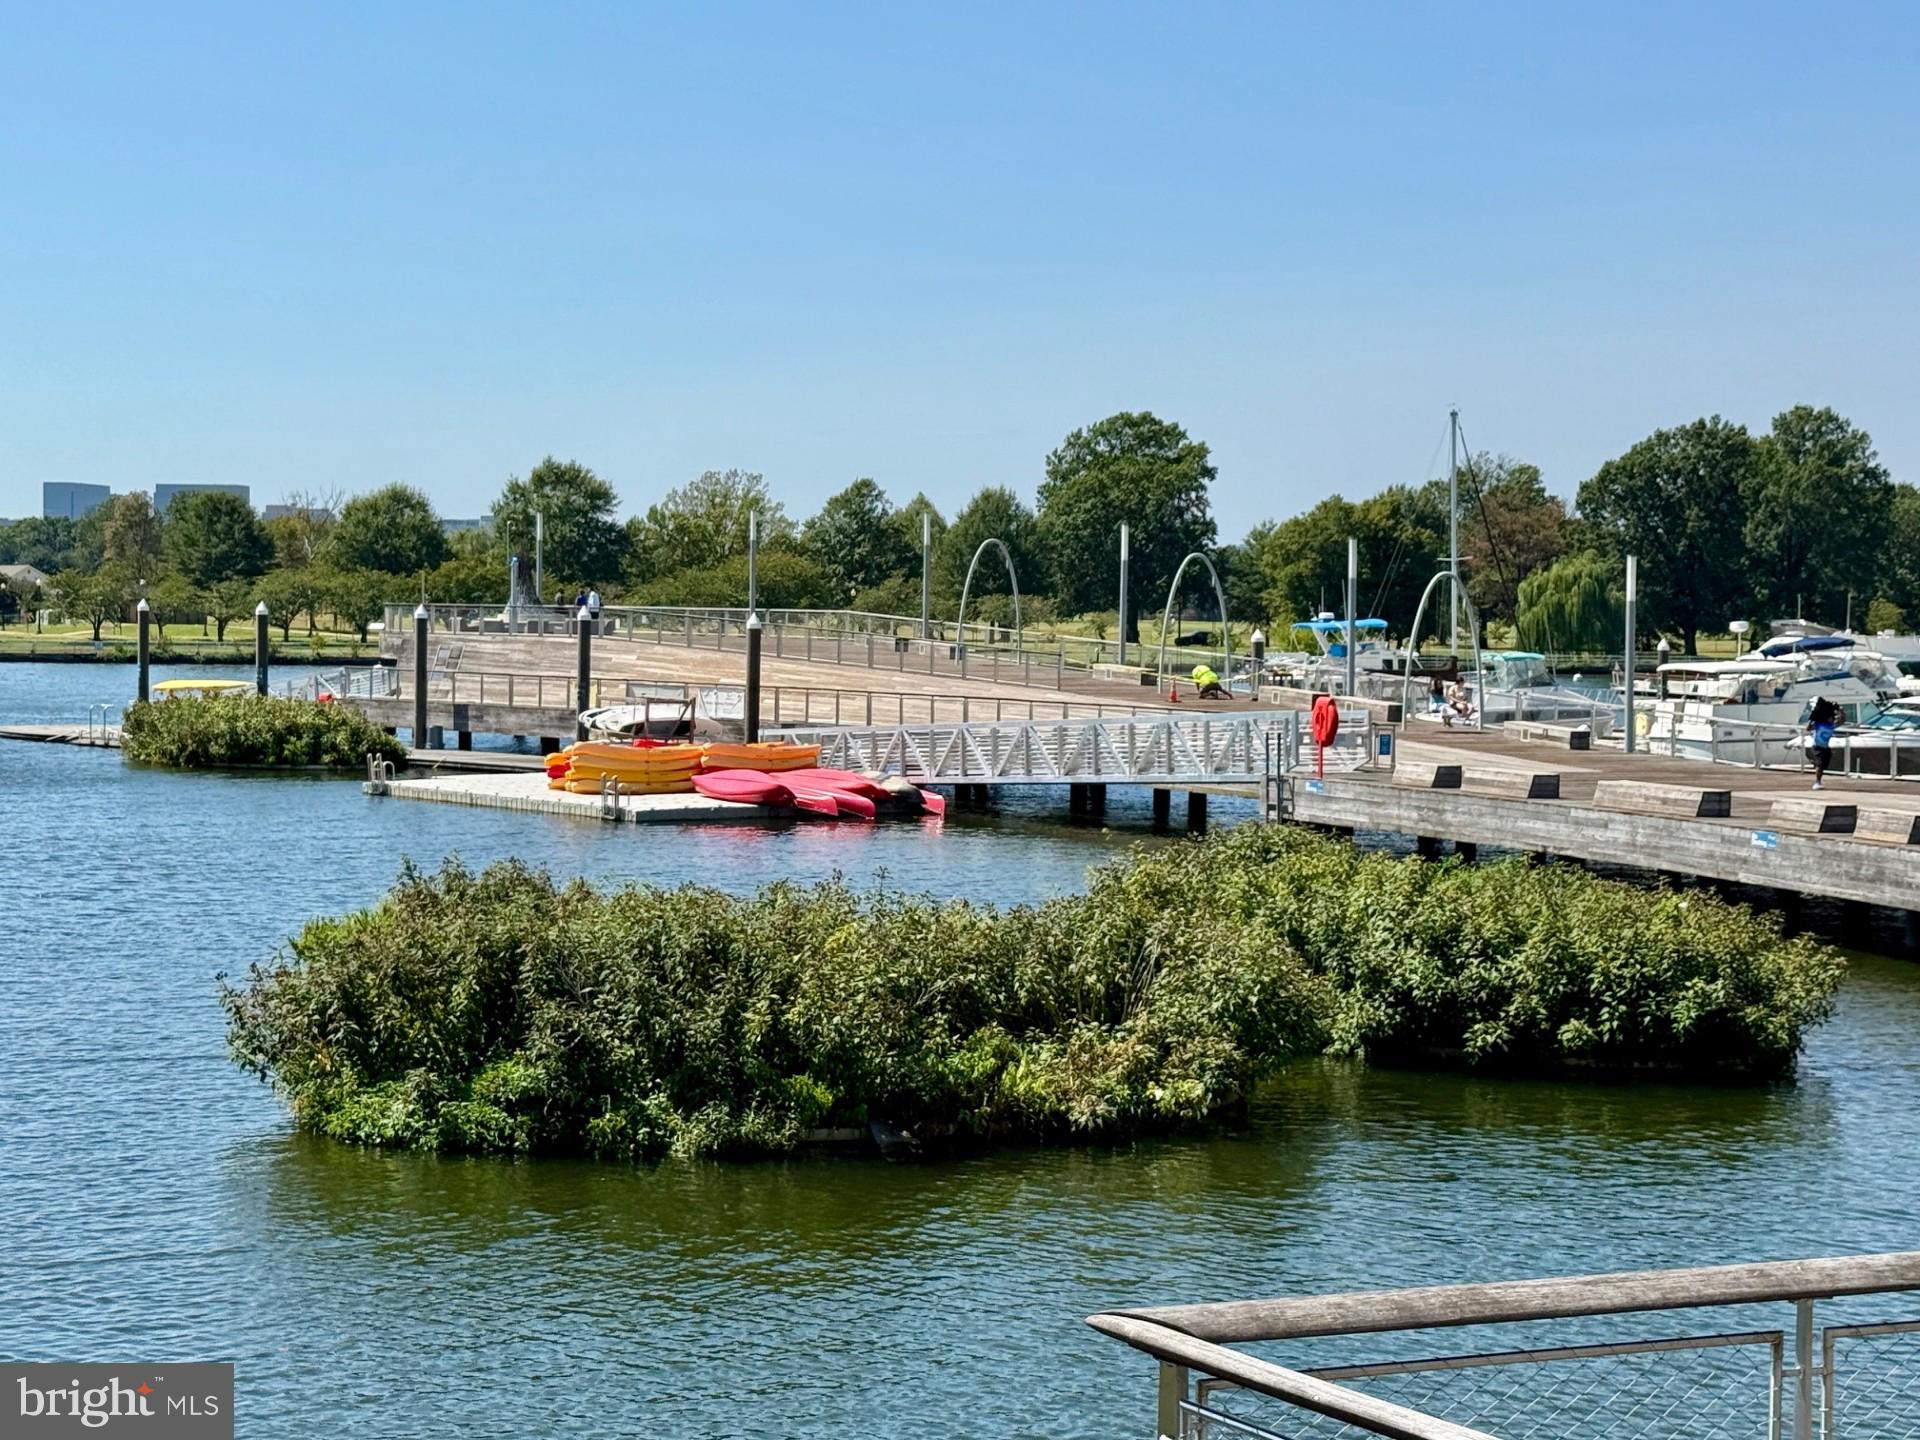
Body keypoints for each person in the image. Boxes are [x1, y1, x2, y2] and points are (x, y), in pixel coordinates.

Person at [1808, 695, 1841, 790]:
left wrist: (1840, 711)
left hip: (1825, 747)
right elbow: (1808, 728)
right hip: (1817, 746)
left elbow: (1841, 721)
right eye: (1831, 717)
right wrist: (1812, 718)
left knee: (1824, 765)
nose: (1832, 718)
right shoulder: (1819, 724)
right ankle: (1817, 782)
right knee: (1820, 764)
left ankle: (1819, 779)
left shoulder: (1831, 725)